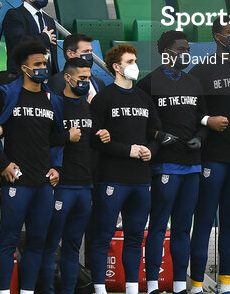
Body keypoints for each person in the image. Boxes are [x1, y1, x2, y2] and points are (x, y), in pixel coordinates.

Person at [139, 31, 214, 294]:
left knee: (183, 228)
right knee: (159, 226)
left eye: (188, 48)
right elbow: (142, 124)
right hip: (165, 164)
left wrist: (201, 138)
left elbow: (203, 119)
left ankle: (181, 286)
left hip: (192, 164)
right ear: (166, 51)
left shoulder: (194, 83)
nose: (186, 53)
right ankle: (152, 286)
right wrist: (159, 137)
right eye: (181, 48)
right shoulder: (149, 83)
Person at [0, 40, 66, 294]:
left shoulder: (53, 100)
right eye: (38, 65)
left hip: (43, 183)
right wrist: (2, 164)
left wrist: (57, 167)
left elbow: (56, 139)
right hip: (17, 181)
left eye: (45, 63)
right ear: (24, 68)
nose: (43, 68)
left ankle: (28, 291)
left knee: (37, 241)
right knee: (8, 241)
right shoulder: (7, 95)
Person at [188, 22, 230, 294]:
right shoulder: (200, 71)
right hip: (212, 156)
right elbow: (189, 113)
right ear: (216, 37)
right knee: (203, 222)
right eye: (229, 32)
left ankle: (225, 286)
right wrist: (207, 120)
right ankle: (196, 286)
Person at [88, 44, 161, 294]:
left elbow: (155, 133)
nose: (134, 65)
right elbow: (94, 140)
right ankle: (99, 289)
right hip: (112, 178)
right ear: (116, 67)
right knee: (102, 237)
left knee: (135, 237)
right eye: (129, 61)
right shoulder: (103, 98)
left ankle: (132, 288)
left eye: (135, 60)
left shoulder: (143, 98)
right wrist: (126, 150)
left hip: (141, 179)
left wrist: (151, 149)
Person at [38, 58, 97, 294]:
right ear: (67, 77)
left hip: (85, 186)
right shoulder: (54, 105)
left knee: (73, 246)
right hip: (61, 185)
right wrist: (65, 137)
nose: (85, 83)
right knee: (50, 245)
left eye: (88, 78)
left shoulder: (88, 106)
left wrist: (100, 135)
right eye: (81, 78)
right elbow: (41, 140)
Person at [1, 0, 59, 75]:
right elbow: (19, 43)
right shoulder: (14, 16)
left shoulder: (49, 20)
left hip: (48, 81)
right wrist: (45, 38)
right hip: (22, 80)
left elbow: (53, 57)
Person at [48, 33, 105, 101]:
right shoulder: (57, 82)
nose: (89, 55)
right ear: (70, 54)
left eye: (90, 51)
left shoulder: (99, 82)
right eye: (85, 51)